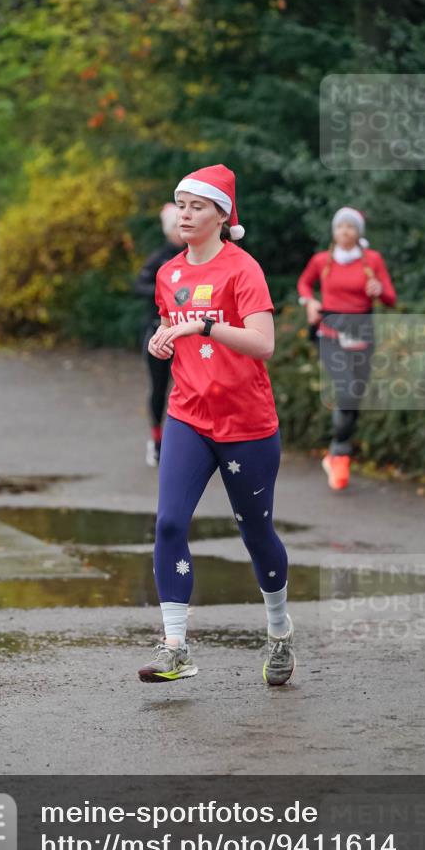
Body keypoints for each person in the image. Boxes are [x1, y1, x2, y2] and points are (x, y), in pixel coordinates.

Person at [137, 164, 295, 687]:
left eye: (196, 206)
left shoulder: (242, 269)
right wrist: (161, 339)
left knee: (255, 532)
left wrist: (205, 324)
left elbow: (264, 343)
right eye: (179, 204)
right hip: (188, 416)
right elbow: (170, 325)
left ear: (221, 215)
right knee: (169, 523)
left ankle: (278, 631)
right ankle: (175, 646)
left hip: (246, 423)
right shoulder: (170, 273)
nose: (184, 214)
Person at [297, 207, 396, 491]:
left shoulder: (372, 260)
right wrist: (310, 302)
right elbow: (304, 283)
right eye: (340, 227)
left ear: (358, 233)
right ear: (334, 232)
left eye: (350, 227)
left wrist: (380, 290)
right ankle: (340, 453)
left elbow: (391, 297)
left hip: (362, 333)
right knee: (346, 389)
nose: (344, 232)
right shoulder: (321, 260)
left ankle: (337, 452)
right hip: (330, 333)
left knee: (354, 397)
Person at [133, 203, 184, 466]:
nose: (180, 231)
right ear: (167, 230)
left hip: (189, 335)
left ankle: (194, 443)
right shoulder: (160, 258)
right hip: (158, 332)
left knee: (189, 387)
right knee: (160, 388)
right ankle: (157, 440)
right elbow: (138, 285)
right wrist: (165, 291)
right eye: (175, 227)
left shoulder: (194, 256)